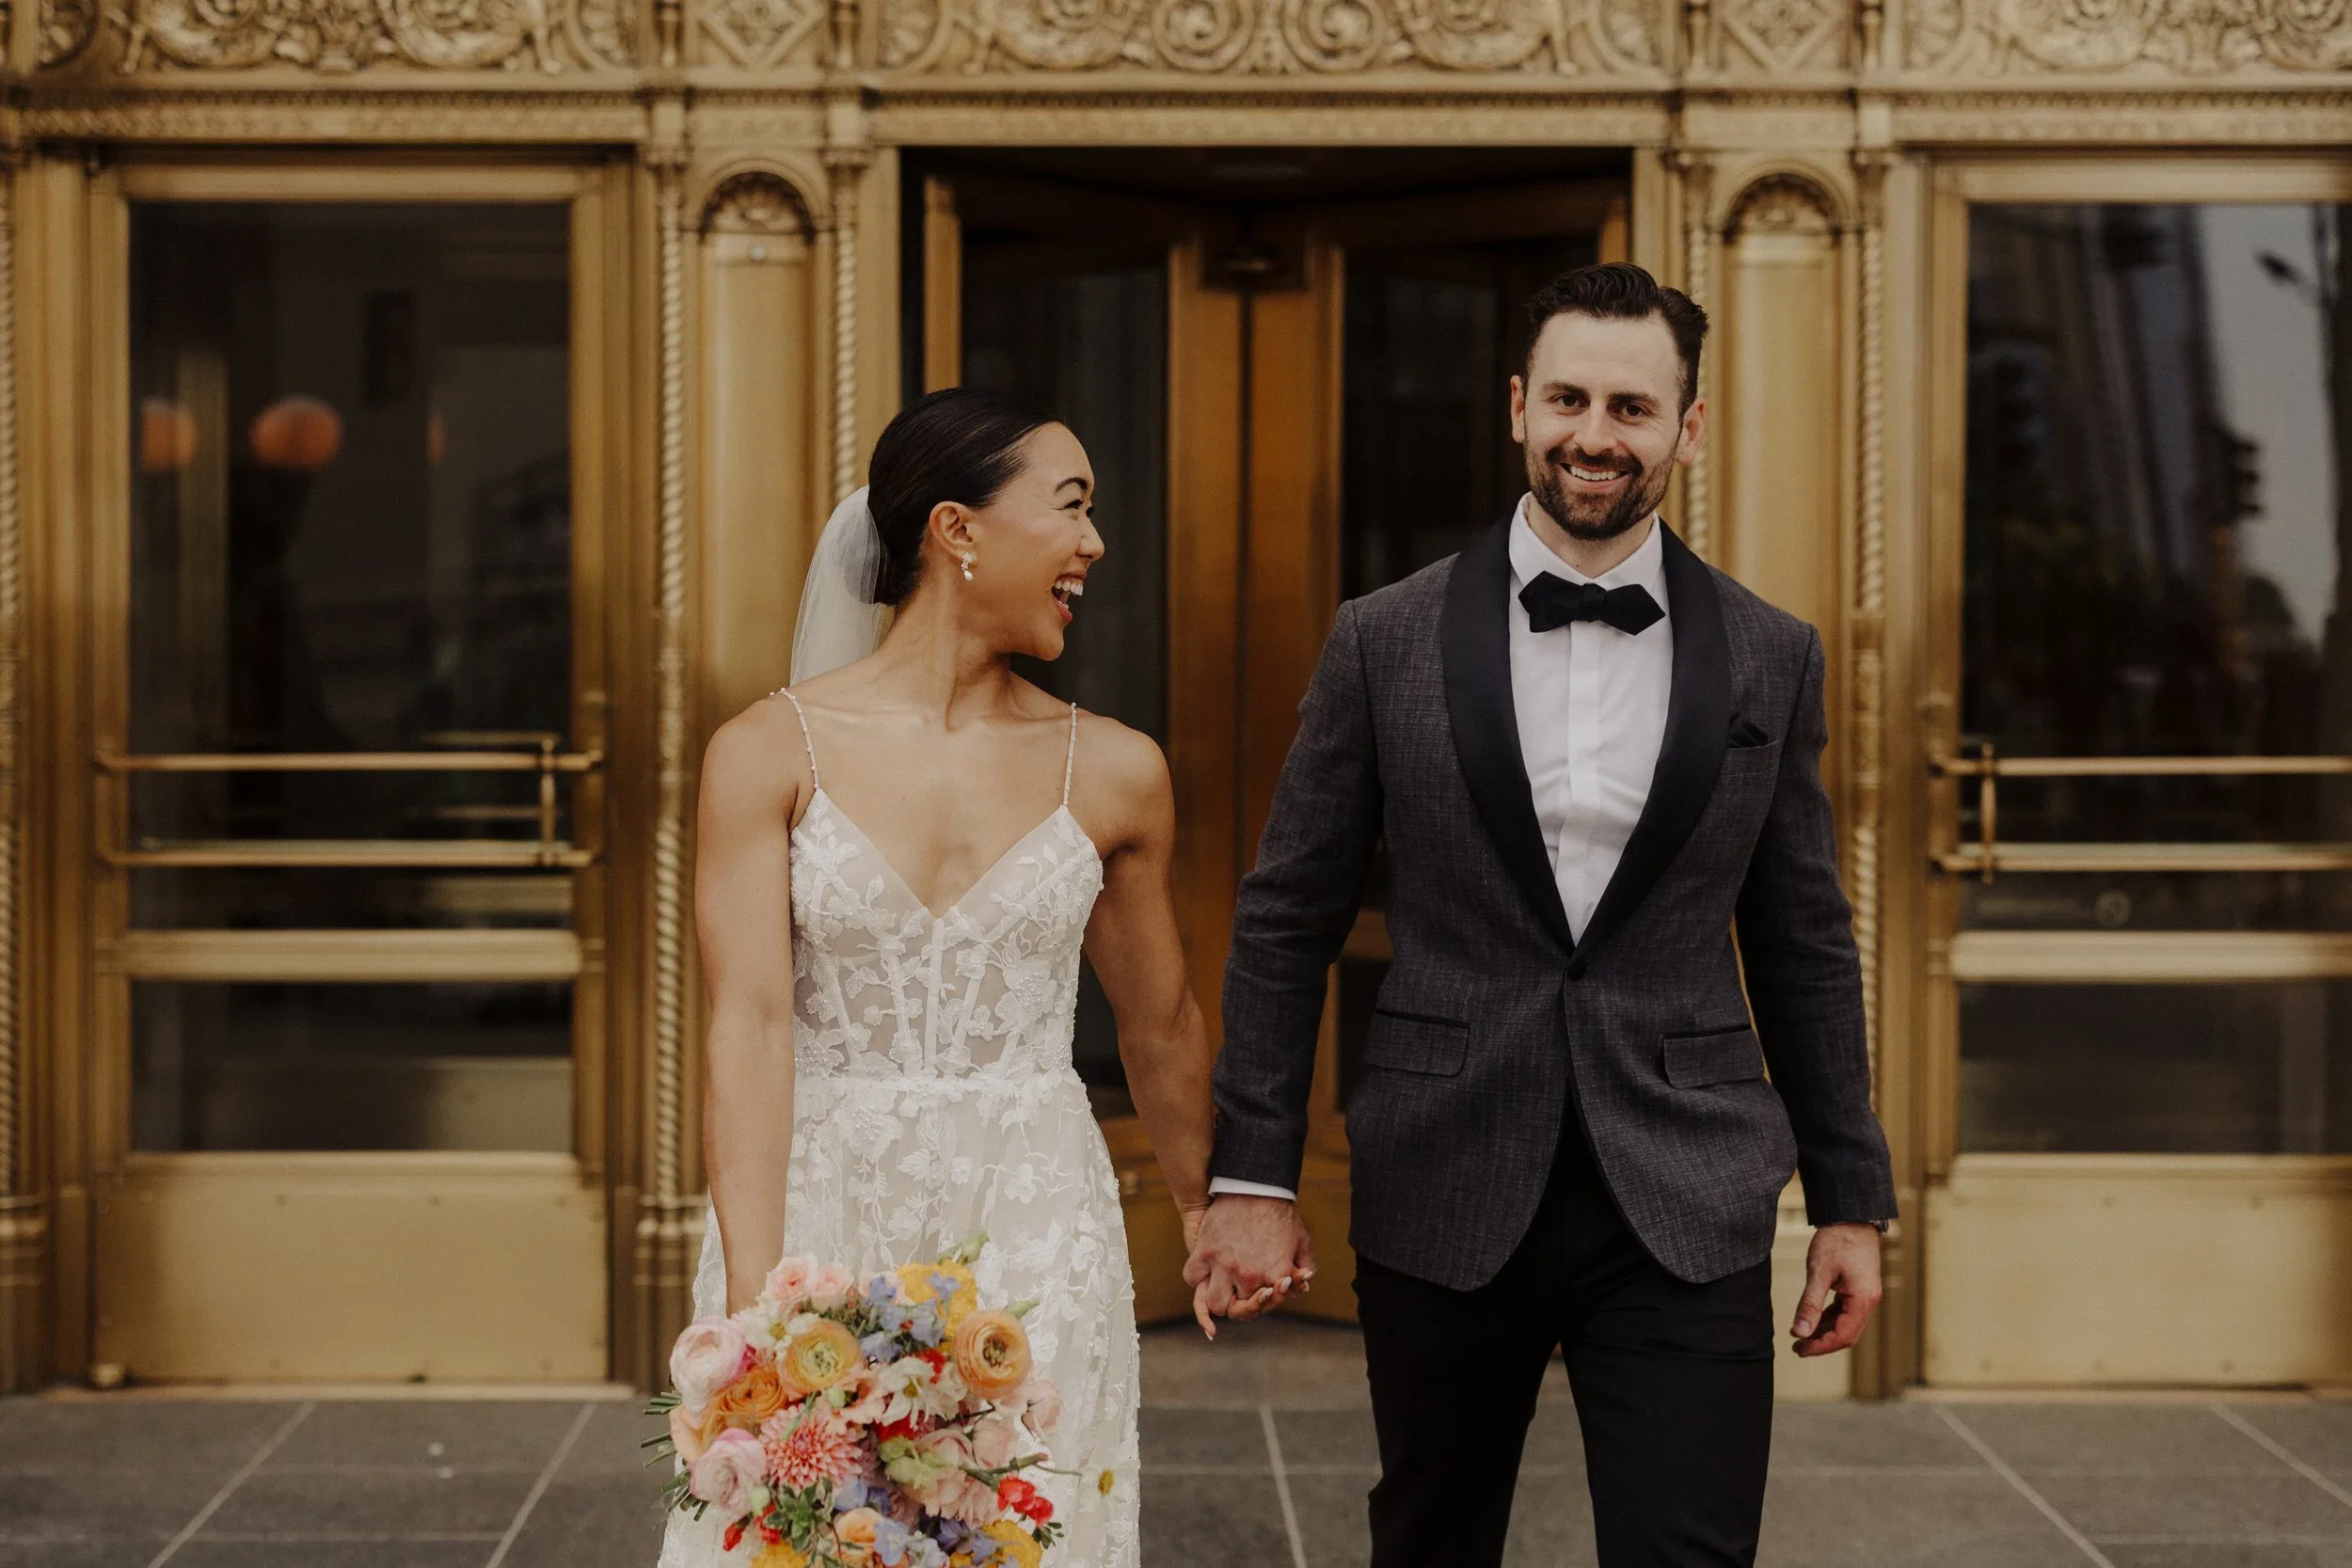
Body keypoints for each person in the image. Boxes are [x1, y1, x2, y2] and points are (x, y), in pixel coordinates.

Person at [1186, 261, 1899, 1568]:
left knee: (1689, 1548)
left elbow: (1802, 939)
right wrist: (1252, 1175)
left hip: (1685, 1184)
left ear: (1687, 428)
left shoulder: (1771, 652)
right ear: (1518, 405)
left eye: (1632, 406)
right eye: (1568, 397)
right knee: (1433, 1538)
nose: (1593, 433)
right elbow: (1286, 919)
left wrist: (1849, 1198)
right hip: (1445, 1169)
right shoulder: (1380, 639)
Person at [661, 388, 1247, 1568]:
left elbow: (1163, 1020)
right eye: (1071, 506)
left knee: (1032, 1527)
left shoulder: (1117, 770)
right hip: (822, 1198)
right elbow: (752, 1026)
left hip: (1033, 1207)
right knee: (802, 1535)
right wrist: (762, 1296)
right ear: (956, 530)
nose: (1092, 544)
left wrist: (1206, 1207)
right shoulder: (768, 752)